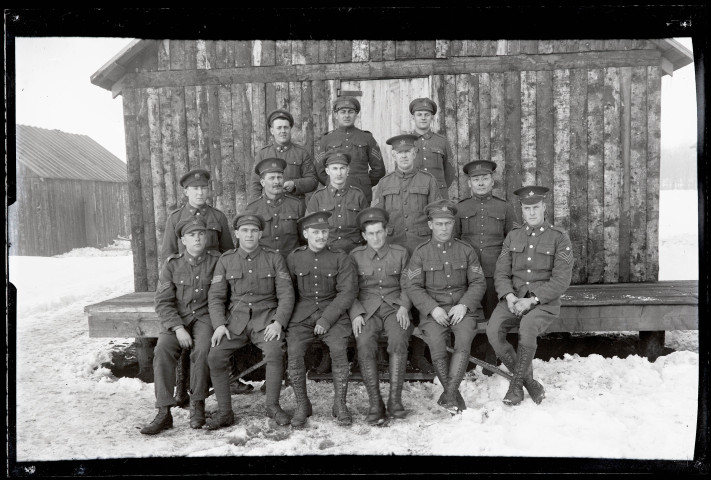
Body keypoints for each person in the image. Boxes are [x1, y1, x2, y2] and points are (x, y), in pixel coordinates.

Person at [205, 214, 296, 429]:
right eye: (244, 230)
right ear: (236, 233)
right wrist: (219, 325)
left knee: (274, 352)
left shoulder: (274, 258)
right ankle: (225, 412)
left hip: (265, 320)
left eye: (253, 231)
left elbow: (286, 294)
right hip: (234, 323)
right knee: (215, 356)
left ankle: (272, 406)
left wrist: (278, 322)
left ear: (260, 233)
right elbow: (216, 296)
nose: (249, 235)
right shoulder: (226, 260)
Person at [486, 186, 573, 406]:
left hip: (543, 303)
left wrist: (533, 299)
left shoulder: (559, 238)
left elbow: (561, 280)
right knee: (493, 330)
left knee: (527, 327)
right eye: (527, 208)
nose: (532, 213)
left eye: (536, 207)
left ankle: (516, 386)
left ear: (544, 207)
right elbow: (502, 272)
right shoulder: (513, 236)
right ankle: (531, 384)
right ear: (522, 211)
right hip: (514, 299)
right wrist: (508, 296)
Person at [405, 200, 486, 414]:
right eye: (439, 224)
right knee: (435, 342)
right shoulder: (421, 253)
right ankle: (453, 395)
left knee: (464, 339)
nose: (444, 228)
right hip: (434, 313)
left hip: (462, 310)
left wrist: (464, 305)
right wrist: (432, 308)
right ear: (430, 225)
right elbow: (413, 286)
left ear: (453, 224)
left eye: (447, 224)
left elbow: (479, 282)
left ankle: (448, 395)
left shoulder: (466, 250)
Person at [141, 218, 219, 434]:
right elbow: (163, 301)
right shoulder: (171, 264)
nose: (197, 238)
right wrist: (177, 327)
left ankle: (197, 405)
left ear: (206, 238)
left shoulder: (217, 261)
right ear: (183, 240)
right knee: (162, 350)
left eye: (201, 234)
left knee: (203, 350)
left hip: (204, 317)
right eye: (192, 235)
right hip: (178, 320)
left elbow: (221, 297)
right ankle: (164, 412)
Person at [375, 133, 441, 375]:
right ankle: (388, 353)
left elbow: (437, 215)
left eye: (408, 152)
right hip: (393, 251)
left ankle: (419, 355)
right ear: (393, 155)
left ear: (415, 154)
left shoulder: (428, 181)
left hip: (421, 250)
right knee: (394, 299)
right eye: (399, 152)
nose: (404, 156)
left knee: (421, 299)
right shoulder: (384, 183)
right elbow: (376, 217)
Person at [285, 211, 358, 428]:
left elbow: (347, 292)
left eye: (324, 231)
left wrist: (326, 319)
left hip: (333, 314)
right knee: (295, 352)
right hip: (302, 315)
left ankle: (340, 404)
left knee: (338, 349)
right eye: (315, 232)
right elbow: (287, 292)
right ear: (306, 233)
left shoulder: (340, 257)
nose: (320, 236)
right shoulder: (294, 258)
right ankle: (302, 404)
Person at [349, 207, 414, 424]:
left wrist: (405, 306)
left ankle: (395, 401)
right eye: (371, 234)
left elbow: (409, 284)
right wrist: (356, 313)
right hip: (367, 310)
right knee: (364, 342)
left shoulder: (401, 253)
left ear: (386, 232)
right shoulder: (355, 256)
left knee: (398, 339)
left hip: (395, 306)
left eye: (379, 232)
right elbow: (349, 290)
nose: (375, 237)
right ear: (363, 236)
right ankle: (375, 403)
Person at [455, 160, 517, 375]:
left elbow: (513, 241)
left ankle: (492, 355)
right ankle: (466, 357)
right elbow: (454, 241)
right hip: (467, 273)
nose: (480, 183)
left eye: (485, 179)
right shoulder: (460, 208)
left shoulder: (505, 207)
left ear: (492, 181)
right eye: (476, 179)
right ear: (469, 183)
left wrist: (506, 269)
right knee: (466, 314)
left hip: (494, 272)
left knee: (494, 317)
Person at [315, 96, 385, 205]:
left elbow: (379, 169)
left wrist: (364, 182)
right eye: (343, 112)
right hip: (333, 193)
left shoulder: (367, 138)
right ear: (336, 115)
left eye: (350, 112)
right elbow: (320, 171)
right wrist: (332, 182)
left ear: (356, 114)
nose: (346, 115)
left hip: (361, 193)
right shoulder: (327, 139)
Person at [248, 109, 318, 209]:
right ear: (272, 131)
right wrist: (255, 207)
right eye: (279, 128)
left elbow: (313, 181)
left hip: (294, 208)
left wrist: (295, 184)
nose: (283, 131)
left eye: (286, 127)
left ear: (290, 129)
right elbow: (255, 184)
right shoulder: (263, 154)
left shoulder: (301, 153)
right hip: (269, 208)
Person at [160, 168, 234, 262]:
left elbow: (227, 253)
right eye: (195, 188)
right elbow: (168, 255)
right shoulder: (175, 218)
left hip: (213, 272)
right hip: (185, 273)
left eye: (203, 188)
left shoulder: (218, 216)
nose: (200, 193)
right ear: (186, 192)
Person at [307, 151, 368, 254]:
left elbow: (366, 226)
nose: (339, 173)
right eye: (334, 168)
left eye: (342, 168)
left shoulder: (358, 195)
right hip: (327, 252)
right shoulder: (318, 197)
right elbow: (309, 229)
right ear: (327, 171)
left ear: (348, 170)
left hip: (354, 251)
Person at [244, 158, 305, 257]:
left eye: (279, 177)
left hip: (291, 262)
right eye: (272, 178)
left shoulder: (296, 205)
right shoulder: (253, 209)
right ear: (263, 182)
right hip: (264, 264)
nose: (277, 182)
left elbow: (304, 239)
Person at [409, 98, 455, 199]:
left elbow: (450, 172)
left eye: (427, 114)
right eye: (419, 114)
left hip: (438, 194)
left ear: (432, 118)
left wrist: (438, 187)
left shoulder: (442, 141)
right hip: (413, 195)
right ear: (413, 118)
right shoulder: (407, 141)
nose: (423, 118)